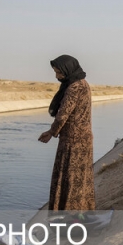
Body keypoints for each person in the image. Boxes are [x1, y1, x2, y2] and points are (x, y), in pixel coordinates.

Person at [39, 55, 96, 211]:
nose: (57, 76)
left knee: (69, 180)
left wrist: (51, 132)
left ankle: (68, 219)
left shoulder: (74, 87)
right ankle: (81, 215)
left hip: (73, 142)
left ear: (67, 70)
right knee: (80, 180)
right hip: (83, 139)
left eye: (59, 72)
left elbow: (63, 114)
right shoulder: (83, 84)